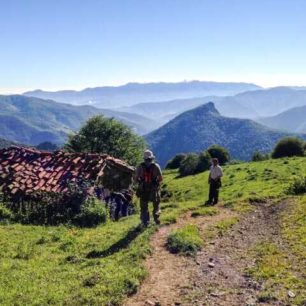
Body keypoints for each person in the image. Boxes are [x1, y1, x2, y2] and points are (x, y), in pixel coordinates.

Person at [135, 150, 163, 226]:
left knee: (144, 207)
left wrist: (141, 182)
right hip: (154, 189)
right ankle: (156, 219)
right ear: (151, 158)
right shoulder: (156, 166)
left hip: (143, 189)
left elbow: (136, 178)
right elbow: (160, 178)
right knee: (156, 205)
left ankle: (145, 222)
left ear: (144, 158)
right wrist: (156, 182)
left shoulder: (140, 166)